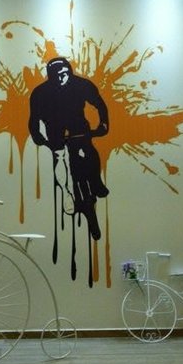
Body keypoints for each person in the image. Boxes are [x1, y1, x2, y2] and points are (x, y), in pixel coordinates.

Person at [28, 57, 109, 240]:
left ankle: (96, 181)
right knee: (60, 157)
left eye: (64, 74)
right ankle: (66, 193)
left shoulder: (82, 84)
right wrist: (38, 136)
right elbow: (33, 120)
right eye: (56, 76)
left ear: (70, 72)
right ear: (49, 77)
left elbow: (99, 104)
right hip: (55, 132)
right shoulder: (39, 93)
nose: (61, 78)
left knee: (88, 149)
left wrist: (103, 124)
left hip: (78, 129)